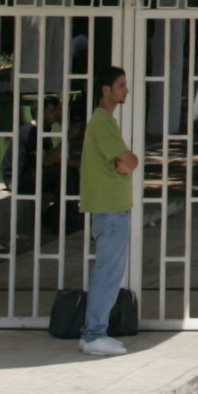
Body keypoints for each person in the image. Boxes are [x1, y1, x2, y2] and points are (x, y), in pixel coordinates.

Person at [78, 65, 139, 357]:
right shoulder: (102, 122)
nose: (126, 90)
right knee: (108, 272)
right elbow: (128, 160)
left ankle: (96, 332)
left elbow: (126, 162)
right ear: (106, 89)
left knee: (110, 271)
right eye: (121, 85)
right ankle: (93, 334)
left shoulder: (105, 122)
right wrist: (129, 163)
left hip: (112, 208)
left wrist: (127, 163)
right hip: (110, 209)